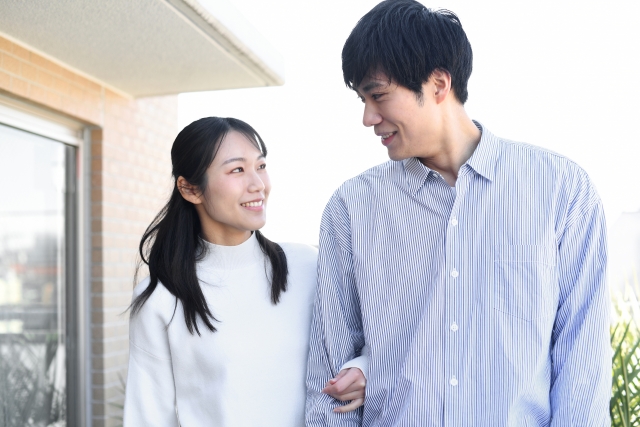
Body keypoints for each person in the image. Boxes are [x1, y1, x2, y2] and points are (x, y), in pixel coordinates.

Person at [305, 1, 610, 425]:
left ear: (438, 84)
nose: (367, 117)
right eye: (362, 99)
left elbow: (582, 363)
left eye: (378, 95)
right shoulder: (351, 209)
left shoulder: (562, 190)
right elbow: (330, 376)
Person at [123, 117, 367, 427]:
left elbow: (378, 338)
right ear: (190, 189)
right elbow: (148, 418)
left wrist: (364, 369)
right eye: (237, 170)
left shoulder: (308, 266)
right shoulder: (161, 299)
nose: (258, 184)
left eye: (260, 166)